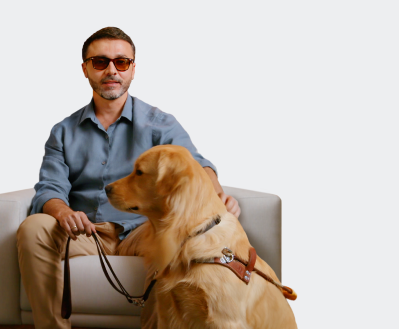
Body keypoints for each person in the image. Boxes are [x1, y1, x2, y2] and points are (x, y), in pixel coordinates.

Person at [16, 27, 241, 329]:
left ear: (133, 69)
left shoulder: (160, 124)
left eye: (122, 62)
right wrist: (64, 212)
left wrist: (216, 195)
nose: (112, 70)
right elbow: (49, 188)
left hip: (143, 229)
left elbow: (194, 165)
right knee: (34, 227)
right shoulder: (63, 131)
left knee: (172, 236)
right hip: (86, 232)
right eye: (100, 62)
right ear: (85, 69)